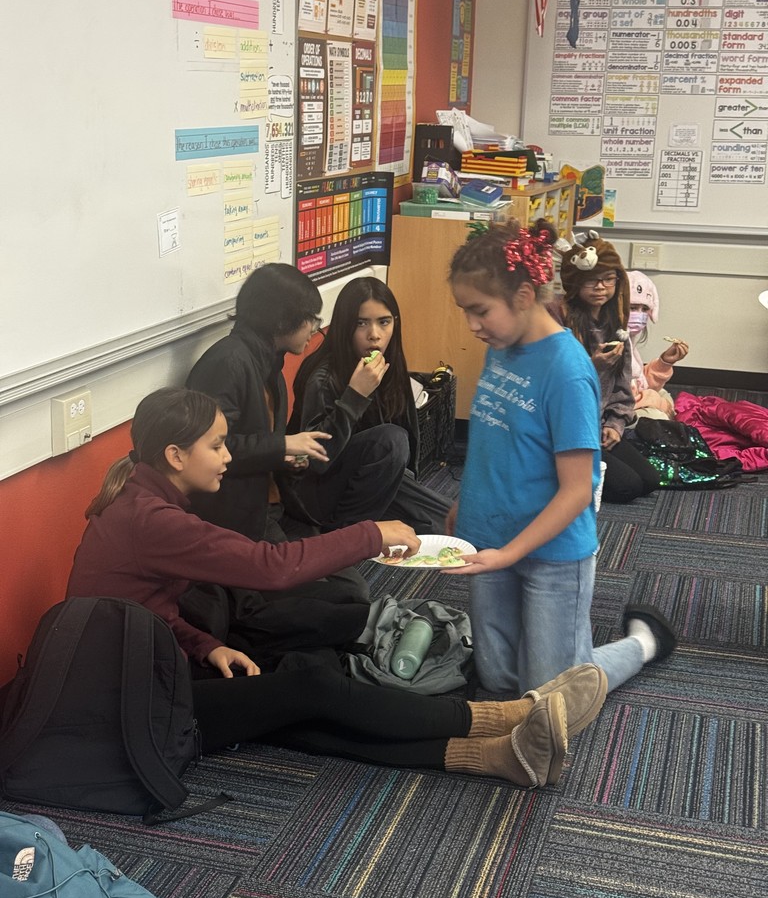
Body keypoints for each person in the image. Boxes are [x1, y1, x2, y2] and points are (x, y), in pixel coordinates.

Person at [65, 386, 609, 789]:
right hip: (131, 709)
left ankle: (499, 757)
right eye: (218, 445)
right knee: (309, 690)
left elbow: (147, 609)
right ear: (176, 457)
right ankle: (502, 717)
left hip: (144, 676)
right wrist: (370, 534)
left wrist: (207, 645)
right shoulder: (151, 518)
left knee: (297, 702)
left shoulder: (145, 503)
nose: (230, 456)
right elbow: (270, 566)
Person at [444, 219, 677, 696]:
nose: (472, 325)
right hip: (490, 536)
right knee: (498, 678)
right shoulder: (503, 345)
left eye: (480, 310)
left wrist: (511, 552)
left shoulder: (567, 370)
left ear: (525, 296)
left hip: (551, 554)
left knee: (554, 694)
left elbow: (576, 490)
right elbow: (493, 441)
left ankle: (644, 643)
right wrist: (464, 507)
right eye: (465, 310)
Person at [185, 262, 369, 656]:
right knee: (344, 601)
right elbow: (207, 452)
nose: (315, 330)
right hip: (241, 523)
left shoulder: (268, 362)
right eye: (309, 320)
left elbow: (264, 443)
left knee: (352, 590)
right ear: (282, 320)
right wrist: (282, 447)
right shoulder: (228, 362)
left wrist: (286, 456)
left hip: (273, 509)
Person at [288, 276, 451, 533]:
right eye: (361, 323)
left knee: (453, 522)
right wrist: (355, 395)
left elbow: (408, 436)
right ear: (344, 326)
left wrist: (409, 486)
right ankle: (348, 536)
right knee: (391, 440)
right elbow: (315, 460)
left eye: (384, 322)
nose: (374, 335)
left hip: (371, 481)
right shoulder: (322, 377)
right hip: (316, 495)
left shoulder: (389, 364)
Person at [552, 231, 661, 504]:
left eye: (609, 279)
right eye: (592, 280)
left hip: (597, 424)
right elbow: (552, 384)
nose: (601, 287)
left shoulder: (615, 321)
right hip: (566, 430)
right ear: (574, 281)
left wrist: (614, 424)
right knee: (628, 488)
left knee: (650, 480)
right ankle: (551, 471)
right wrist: (593, 366)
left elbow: (622, 387)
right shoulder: (558, 317)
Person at [627, 269, 689, 420]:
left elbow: (639, 381)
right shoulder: (613, 342)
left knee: (664, 394)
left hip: (633, 397)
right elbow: (620, 395)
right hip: (614, 413)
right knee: (658, 416)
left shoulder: (630, 343)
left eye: (645, 309)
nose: (640, 315)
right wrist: (657, 403)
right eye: (633, 308)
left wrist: (665, 362)